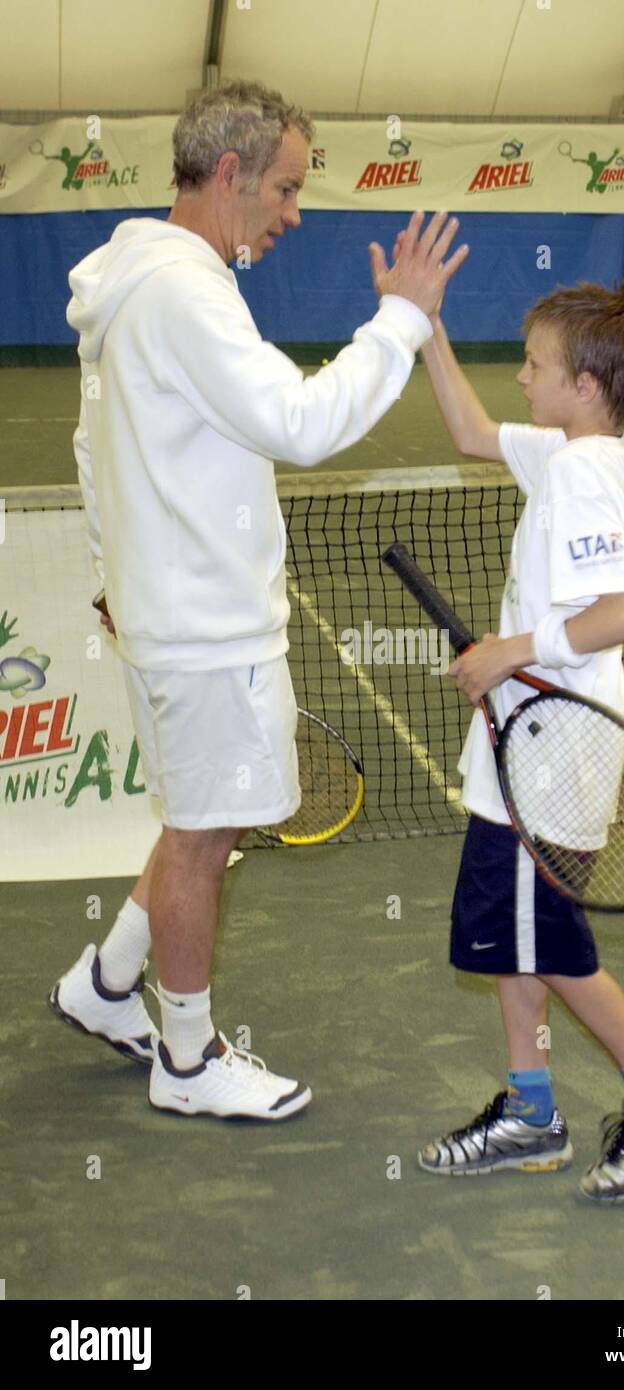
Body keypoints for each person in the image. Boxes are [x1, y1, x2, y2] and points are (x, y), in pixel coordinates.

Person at [50, 80, 467, 1123]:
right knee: (202, 838)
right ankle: (186, 1061)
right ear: (228, 172)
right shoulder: (185, 292)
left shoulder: (132, 281)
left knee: (208, 817)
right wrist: (400, 322)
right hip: (202, 623)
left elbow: (91, 448)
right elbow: (299, 422)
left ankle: (105, 989)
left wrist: (113, 570)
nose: (293, 212)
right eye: (283, 188)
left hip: (171, 608)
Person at [415, 281, 624, 1202]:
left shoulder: (583, 472)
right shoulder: (587, 446)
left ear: (585, 383)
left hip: (549, 748)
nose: (521, 376)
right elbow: (472, 431)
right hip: (534, 733)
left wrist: (512, 650)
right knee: (519, 935)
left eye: (537, 365)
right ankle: (531, 1111)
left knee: (547, 942)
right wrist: (423, 325)